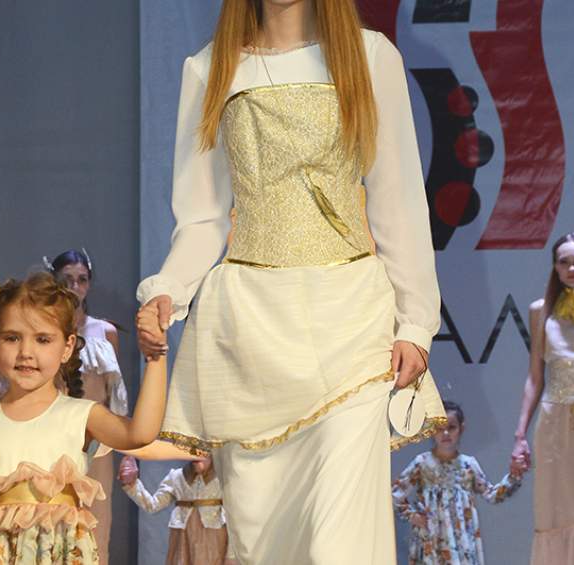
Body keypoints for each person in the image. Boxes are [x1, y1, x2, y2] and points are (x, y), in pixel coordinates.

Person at [136, 1, 444, 561]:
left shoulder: (370, 56)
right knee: (263, 546)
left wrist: (416, 322)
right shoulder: (208, 69)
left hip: (352, 324)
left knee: (339, 542)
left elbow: (398, 200)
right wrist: (168, 289)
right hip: (250, 335)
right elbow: (203, 217)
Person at [0, 272, 167, 564]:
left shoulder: (80, 415)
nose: (26, 352)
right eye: (12, 338)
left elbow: (141, 433)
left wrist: (155, 357)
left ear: (67, 347)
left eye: (43, 340)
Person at [0, 249, 128, 564]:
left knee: (97, 521)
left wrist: (127, 453)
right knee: (51, 515)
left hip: (97, 438)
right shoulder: (44, 329)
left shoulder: (105, 332)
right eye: (68, 279)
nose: (75, 286)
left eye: (82, 279)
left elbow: (116, 395)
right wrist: (26, 405)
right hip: (54, 434)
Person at [510, 232, 574, 564]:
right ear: (555, 268)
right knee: (555, 509)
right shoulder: (540, 311)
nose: (572, 268)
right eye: (564, 262)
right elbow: (535, 377)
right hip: (555, 424)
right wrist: (519, 436)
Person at [393, 401, 523, 564]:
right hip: (431, 541)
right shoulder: (422, 463)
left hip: (462, 542)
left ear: (461, 428)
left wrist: (514, 476)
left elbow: (492, 495)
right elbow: (395, 495)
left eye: (451, 427)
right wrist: (414, 517)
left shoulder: (468, 465)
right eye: (440, 428)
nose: (445, 433)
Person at [118, 455, 232, 565]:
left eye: (203, 451)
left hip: (213, 535)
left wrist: (231, 555)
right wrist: (132, 484)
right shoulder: (177, 476)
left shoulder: (223, 477)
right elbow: (153, 505)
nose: (197, 455)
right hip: (183, 537)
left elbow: (235, 516)